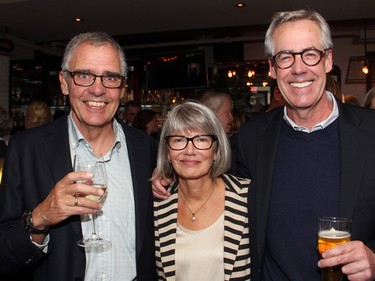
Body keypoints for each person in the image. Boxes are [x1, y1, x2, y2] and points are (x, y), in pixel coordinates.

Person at [153, 9, 375, 281]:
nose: (298, 68)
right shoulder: (252, 138)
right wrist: (167, 173)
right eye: (285, 57)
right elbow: (209, 180)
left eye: (310, 54)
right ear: (272, 68)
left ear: (328, 59)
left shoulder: (371, 132)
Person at [0, 32, 157, 281]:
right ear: (64, 82)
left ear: (123, 88)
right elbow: (5, 256)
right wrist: (40, 217)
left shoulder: (147, 149)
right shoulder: (26, 149)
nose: (98, 89)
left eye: (110, 77)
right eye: (84, 75)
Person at [153, 101, 251, 280]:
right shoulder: (157, 207)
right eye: (178, 140)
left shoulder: (248, 197)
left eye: (201, 139)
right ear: (167, 151)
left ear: (216, 150)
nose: (189, 150)